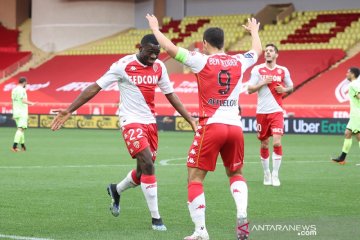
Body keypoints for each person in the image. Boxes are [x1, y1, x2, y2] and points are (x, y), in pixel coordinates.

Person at [50, 34, 196, 231]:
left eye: (157, 53)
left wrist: (190, 119)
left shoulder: (159, 67)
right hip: (130, 121)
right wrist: (69, 109)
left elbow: (171, 95)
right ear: (140, 48)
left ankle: (116, 190)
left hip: (150, 123)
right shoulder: (123, 65)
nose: (154, 57)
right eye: (150, 52)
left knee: (142, 171)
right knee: (149, 164)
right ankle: (156, 219)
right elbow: (95, 87)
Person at [147, 14, 262, 240]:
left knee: (195, 178)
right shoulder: (239, 61)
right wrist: (254, 32)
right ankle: (241, 214)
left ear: (205, 43)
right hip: (235, 128)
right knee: (236, 173)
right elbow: (256, 51)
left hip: (212, 126)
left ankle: (201, 231)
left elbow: (170, 49)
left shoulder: (201, 60)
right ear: (223, 43)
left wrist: (155, 28)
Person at [247, 43, 293, 187]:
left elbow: (291, 87)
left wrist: (284, 89)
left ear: (276, 54)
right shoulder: (258, 69)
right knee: (264, 143)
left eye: (271, 51)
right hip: (262, 112)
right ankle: (266, 173)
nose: (267, 52)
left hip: (277, 111)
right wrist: (262, 83)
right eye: (266, 51)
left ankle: (275, 174)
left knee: (277, 142)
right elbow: (249, 89)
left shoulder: (283, 70)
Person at [332, 67, 360, 164]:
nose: (346, 74)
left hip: (357, 114)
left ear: (353, 74)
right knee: (348, 133)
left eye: (348, 72)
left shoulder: (354, 84)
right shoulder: (355, 84)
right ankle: (342, 158)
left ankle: (342, 158)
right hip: (354, 114)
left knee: (358, 135)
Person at [11, 77, 35, 152]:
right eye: (26, 83)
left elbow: (14, 101)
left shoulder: (14, 90)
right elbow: (23, 100)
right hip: (22, 112)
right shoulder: (22, 90)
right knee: (20, 129)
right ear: (24, 82)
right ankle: (14, 147)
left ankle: (23, 146)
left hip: (16, 112)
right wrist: (32, 103)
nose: (26, 85)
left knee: (21, 130)